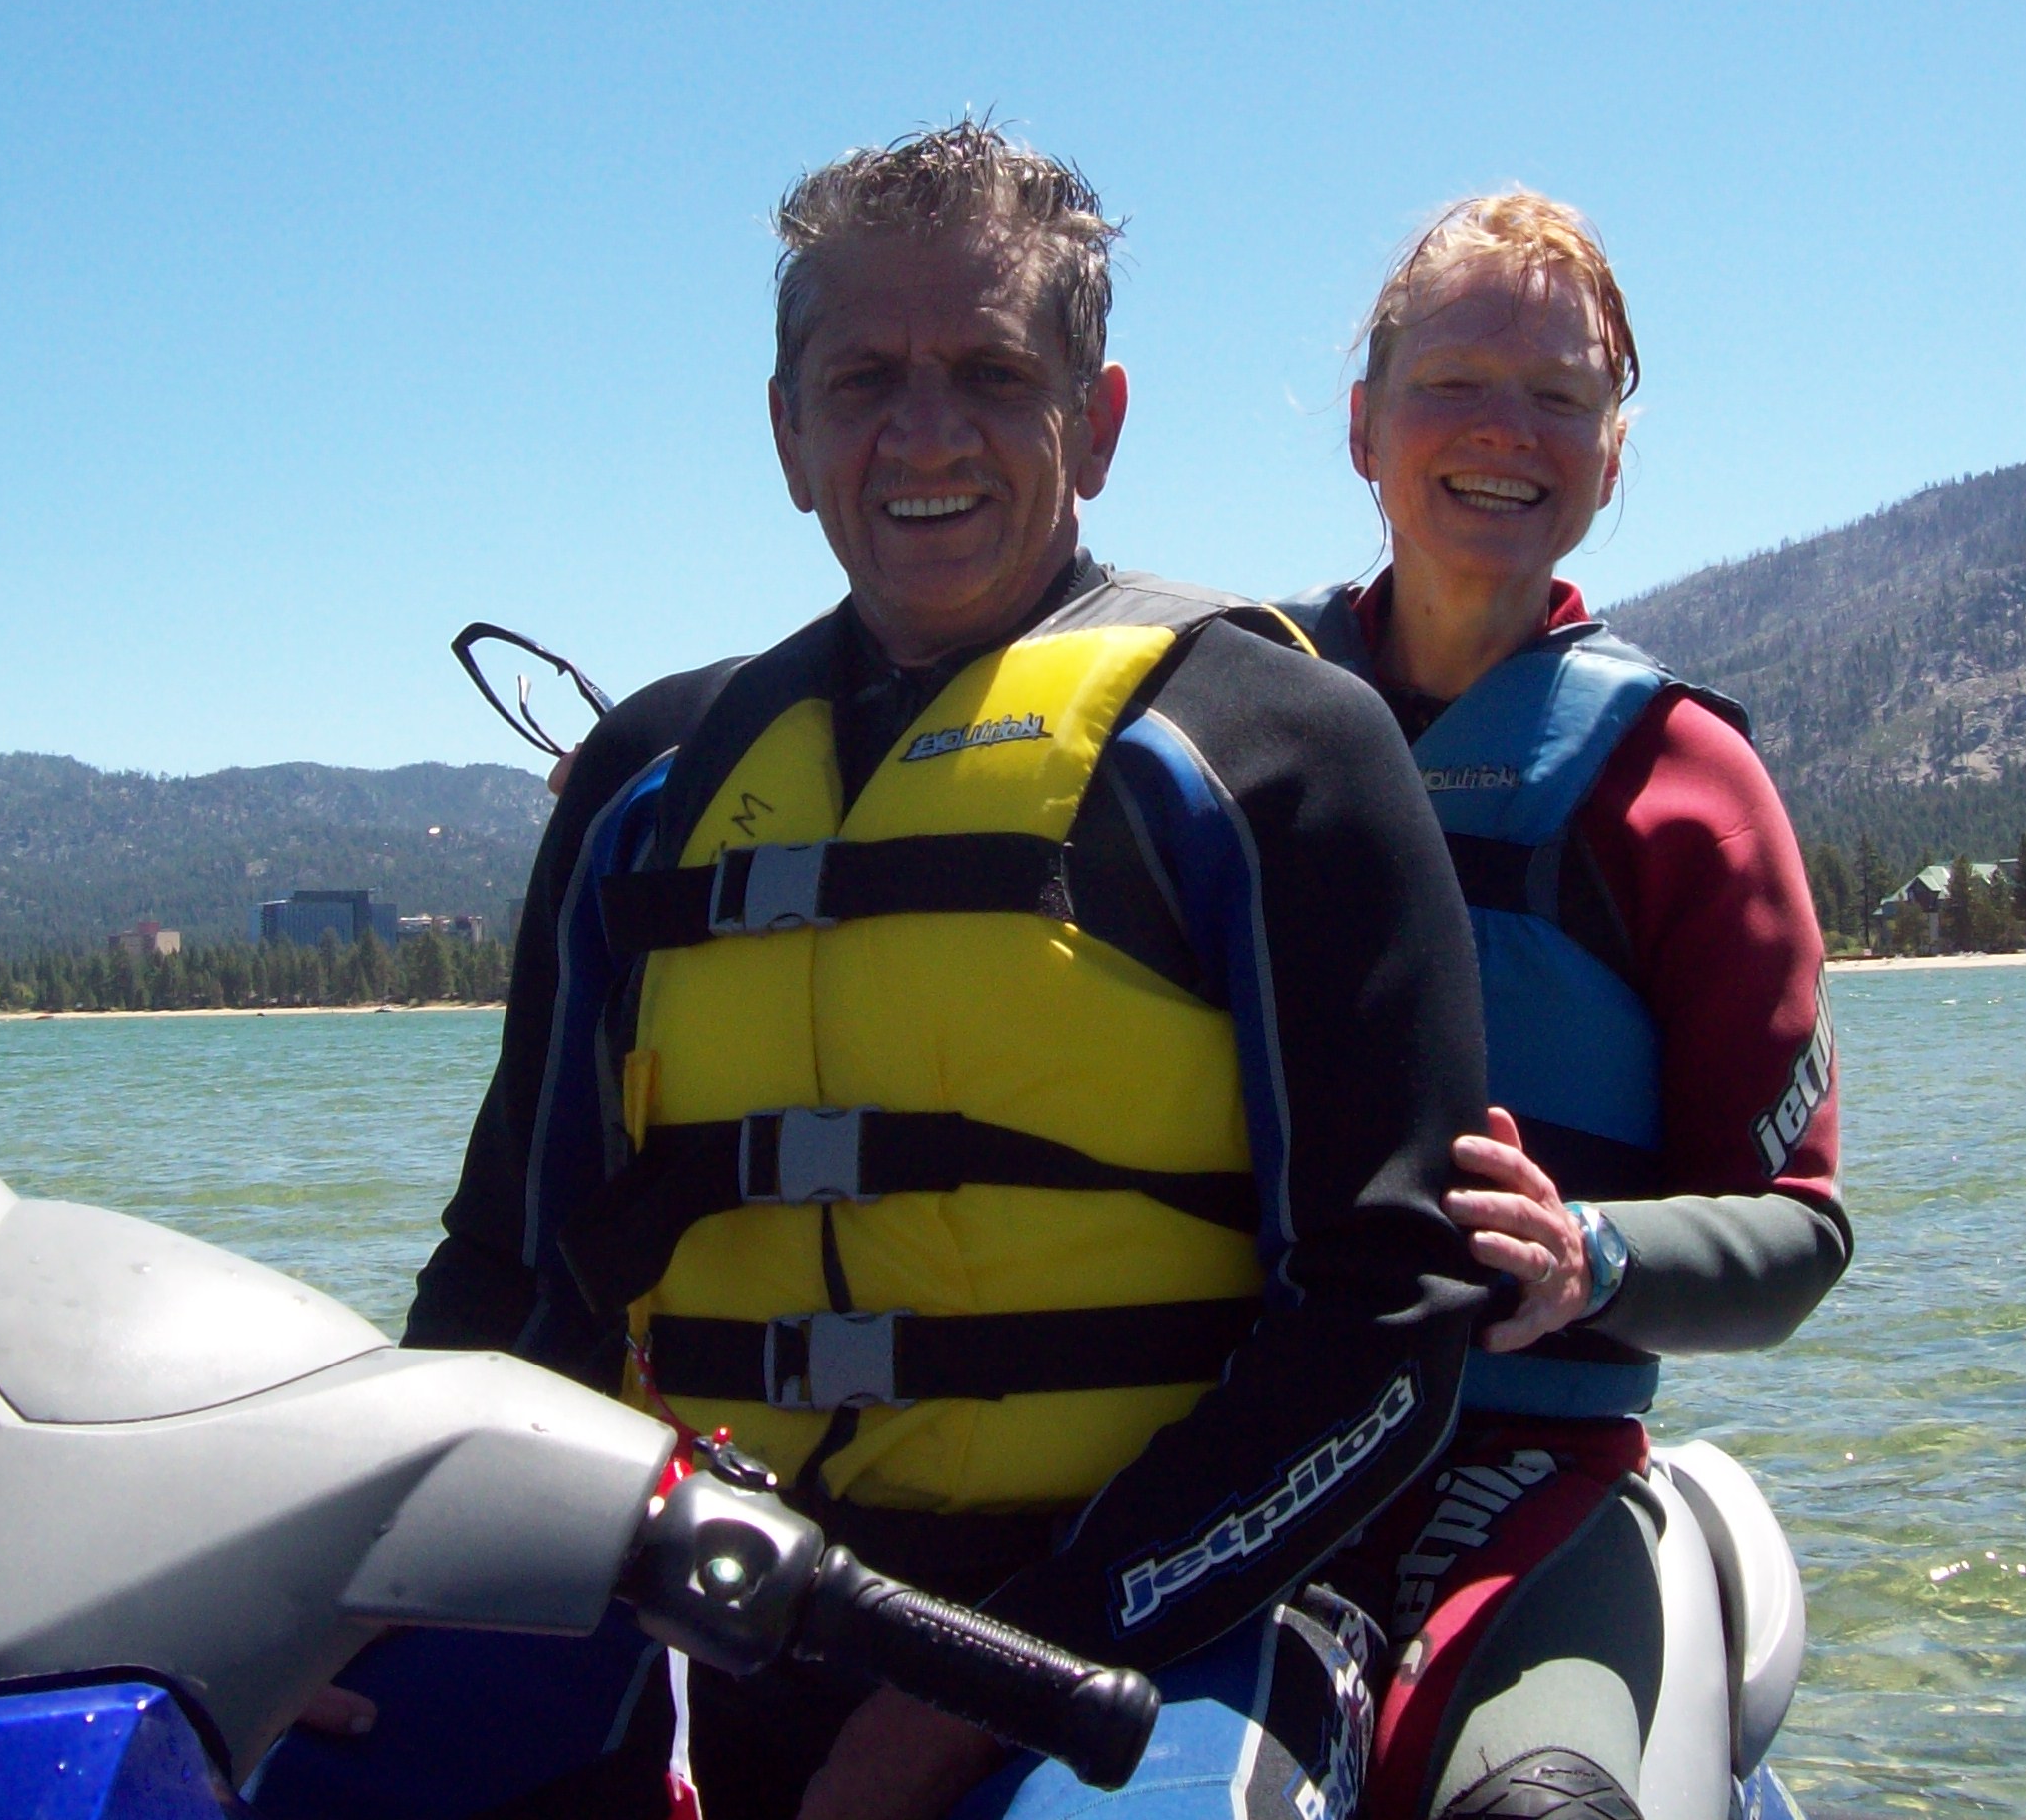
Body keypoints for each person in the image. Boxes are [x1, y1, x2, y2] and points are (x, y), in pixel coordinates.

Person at [368, 126, 1493, 1820]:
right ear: (788, 431)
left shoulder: (1279, 753)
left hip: (1162, 1635)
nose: (926, 432)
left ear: (1095, 421)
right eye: (864, 377)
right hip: (719, 1603)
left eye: (991, 370)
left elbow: (1393, 1327)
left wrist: (990, 1685)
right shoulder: (648, 786)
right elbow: (507, 1272)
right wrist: (378, 1592)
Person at [1283, 193, 1849, 1820]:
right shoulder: (1232, 720)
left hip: (1532, 1480)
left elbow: (1796, 1237)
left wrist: (1590, 1258)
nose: (1505, 433)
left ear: (1612, 456)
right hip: (1242, 1459)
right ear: (1364, 429)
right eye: (1456, 380)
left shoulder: (1685, 783)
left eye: (1560, 397)